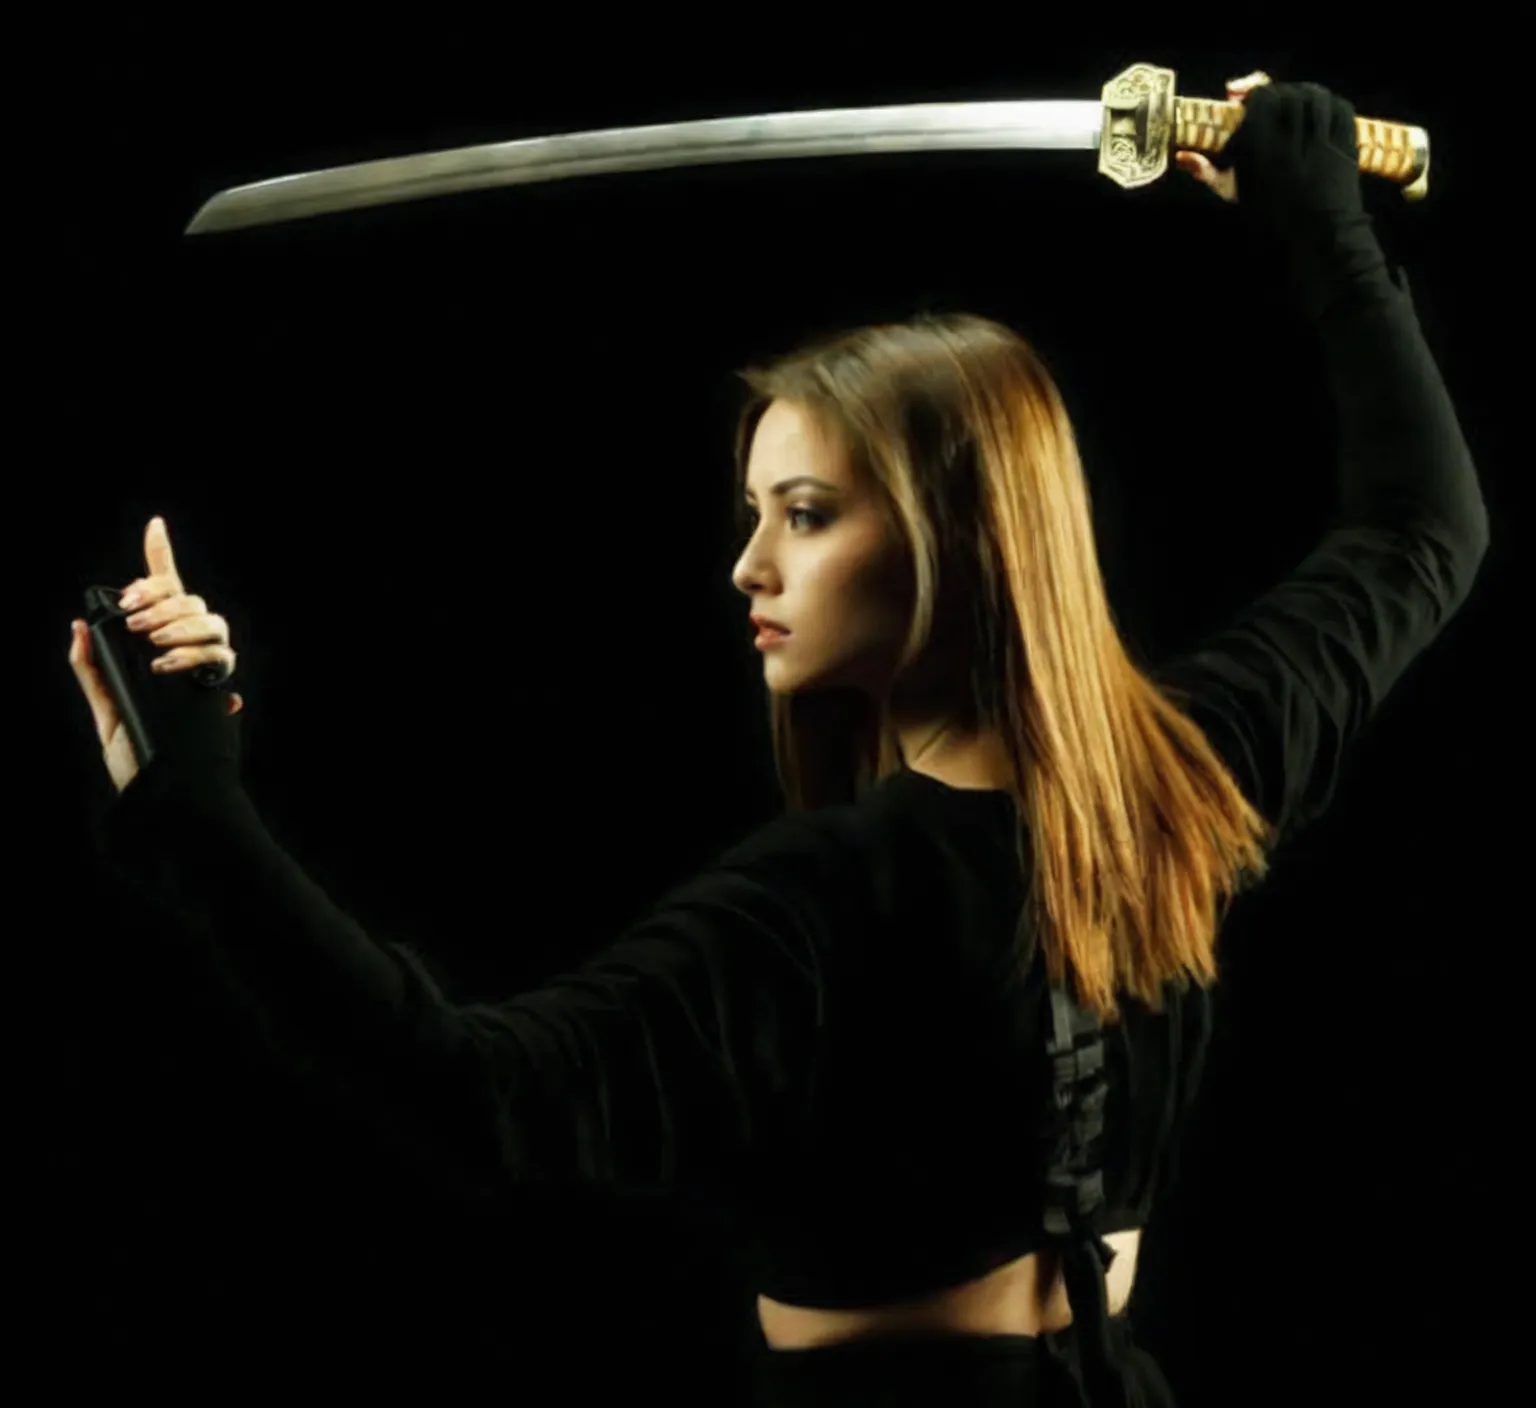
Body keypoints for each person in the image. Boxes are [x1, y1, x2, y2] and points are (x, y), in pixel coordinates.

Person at [70, 73, 1488, 1406]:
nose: (748, 565)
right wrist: (1324, 221)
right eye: (758, 513)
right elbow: (1425, 526)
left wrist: (197, 813)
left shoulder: (825, 902)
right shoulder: (1192, 766)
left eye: (805, 514)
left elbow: (471, 1094)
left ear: (959, 541)